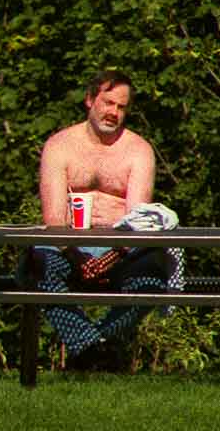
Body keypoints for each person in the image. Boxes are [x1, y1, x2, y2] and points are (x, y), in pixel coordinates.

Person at [26, 69, 177, 369]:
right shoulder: (60, 146)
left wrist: (114, 253)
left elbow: (138, 220)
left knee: (153, 275)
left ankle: (97, 345)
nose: (114, 113)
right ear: (89, 100)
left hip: (120, 250)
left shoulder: (138, 151)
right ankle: (93, 348)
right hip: (68, 247)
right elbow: (54, 219)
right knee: (34, 267)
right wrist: (75, 254)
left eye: (121, 107)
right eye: (108, 103)